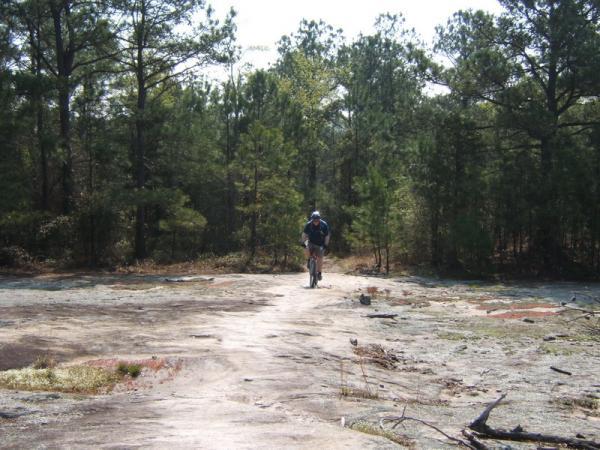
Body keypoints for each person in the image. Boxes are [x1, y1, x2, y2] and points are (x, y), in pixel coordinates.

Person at [301, 211, 330, 280]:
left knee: (320, 258)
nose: (316, 221)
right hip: (310, 241)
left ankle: (319, 273)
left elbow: (327, 236)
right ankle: (308, 260)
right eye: (314, 220)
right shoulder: (308, 224)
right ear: (312, 219)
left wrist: (325, 245)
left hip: (320, 243)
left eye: (317, 220)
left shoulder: (324, 225)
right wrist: (303, 242)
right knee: (306, 247)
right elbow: (304, 234)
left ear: (319, 219)